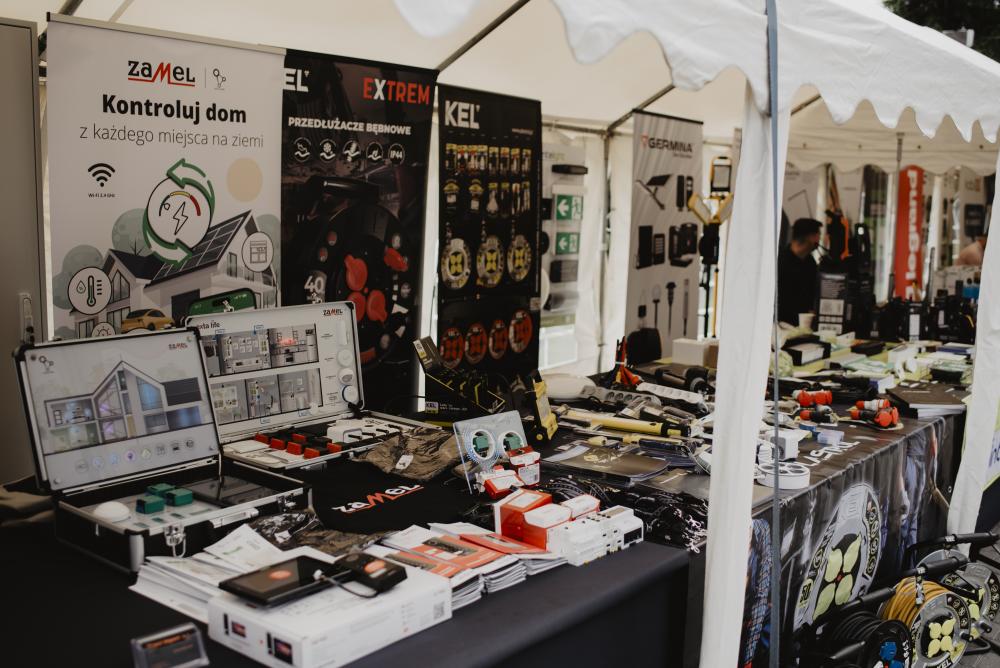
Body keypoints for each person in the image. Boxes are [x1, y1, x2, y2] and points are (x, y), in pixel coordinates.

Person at [777, 217, 822, 326]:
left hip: (804, 325)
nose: (819, 239)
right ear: (809, 237)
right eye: (817, 235)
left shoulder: (810, 263)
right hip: (782, 324)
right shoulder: (780, 261)